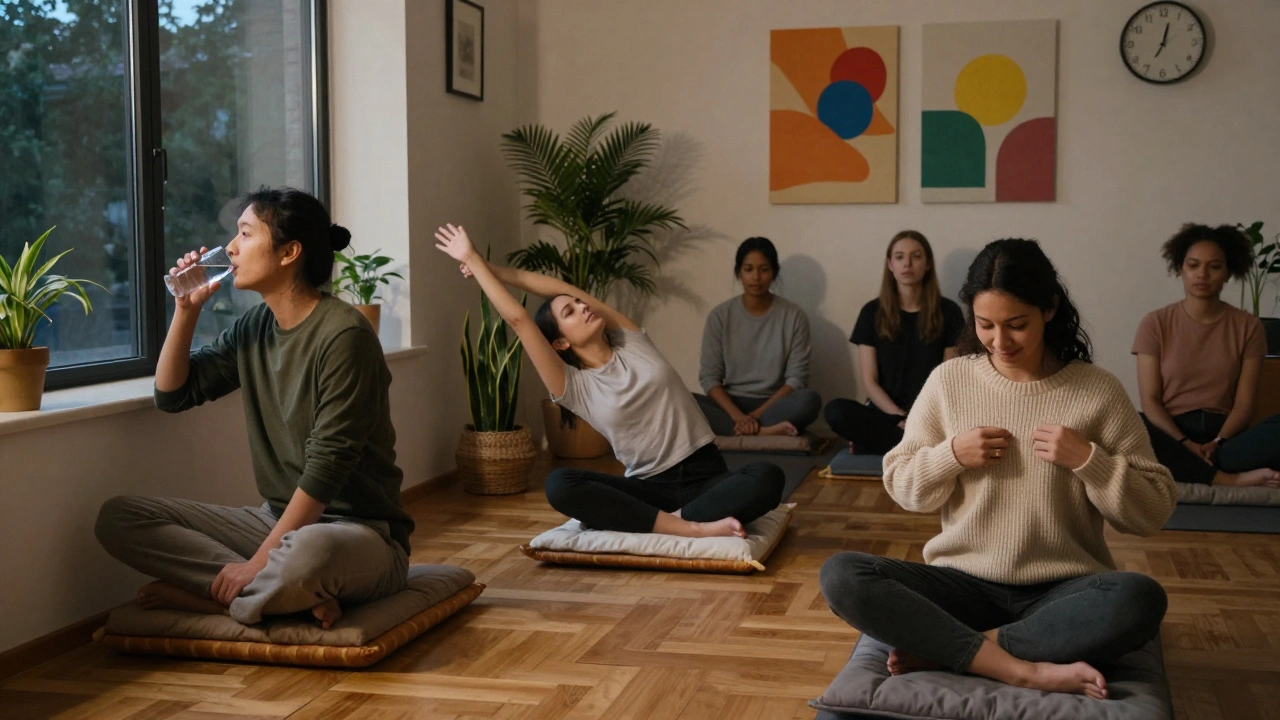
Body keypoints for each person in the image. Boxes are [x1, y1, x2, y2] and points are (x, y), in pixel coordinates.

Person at [820, 239, 1176, 699]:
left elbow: (1153, 510)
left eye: (1016, 325)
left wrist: (1091, 461)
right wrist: (951, 456)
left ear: (1049, 309)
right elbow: (904, 486)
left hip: (1061, 592)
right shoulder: (950, 381)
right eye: (985, 325)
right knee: (842, 574)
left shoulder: (1097, 391)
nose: (1000, 342)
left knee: (1139, 599)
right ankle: (1022, 668)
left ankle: (958, 650)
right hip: (962, 587)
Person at [96, 188, 412, 629]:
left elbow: (327, 468)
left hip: (359, 533)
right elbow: (172, 396)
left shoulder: (345, 334)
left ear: (289, 252)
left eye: (245, 233)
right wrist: (185, 311)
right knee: (120, 518)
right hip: (274, 522)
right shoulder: (254, 327)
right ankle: (272, 594)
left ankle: (230, 595)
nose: (230, 247)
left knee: (310, 554)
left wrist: (257, 562)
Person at [433, 223, 784, 538]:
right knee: (560, 484)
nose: (583, 306)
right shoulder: (574, 385)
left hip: (706, 475)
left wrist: (492, 268)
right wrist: (474, 262)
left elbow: (561, 287)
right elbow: (519, 320)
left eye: (578, 303)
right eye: (570, 312)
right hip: (649, 487)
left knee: (768, 478)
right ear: (560, 343)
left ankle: (663, 522)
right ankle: (687, 526)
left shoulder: (630, 340)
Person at [1133, 223, 1280, 488]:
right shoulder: (1155, 323)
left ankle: (1197, 469)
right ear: (1180, 268)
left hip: (1226, 441)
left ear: (1228, 273)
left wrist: (1217, 442)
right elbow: (1151, 401)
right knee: (1130, 421)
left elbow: (1244, 405)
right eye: (1193, 265)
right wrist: (1185, 444)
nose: (1202, 274)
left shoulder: (1248, 326)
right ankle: (1227, 479)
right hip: (1172, 436)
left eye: (1214, 267)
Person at [824, 231, 964, 454]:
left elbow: (948, 377)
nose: (907, 263)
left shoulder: (949, 312)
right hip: (887, 415)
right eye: (899, 257)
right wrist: (899, 417)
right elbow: (870, 381)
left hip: (933, 414)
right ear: (890, 264)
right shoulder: (871, 313)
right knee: (836, 411)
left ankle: (892, 446)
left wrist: (920, 419)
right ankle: (917, 449)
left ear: (927, 264)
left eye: (916, 256)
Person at [695, 237, 821, 437]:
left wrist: (754, 415)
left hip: (774, 404)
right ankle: (763, 432)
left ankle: (740, 430)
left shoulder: (793, 316)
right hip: (731, 404)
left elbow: (797, 379)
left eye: (763, 269)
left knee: (809, 400)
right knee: (681, 400)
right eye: (748, 269)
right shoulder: (720, 316)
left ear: (774, 273)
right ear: (738, 272)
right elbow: (710, 377)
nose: (756, 277)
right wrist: (738, 417)